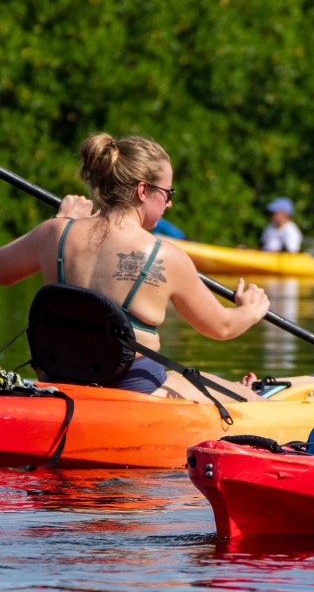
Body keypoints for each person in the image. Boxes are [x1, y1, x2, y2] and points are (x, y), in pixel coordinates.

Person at [0, 132, 275, 403]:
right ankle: (247, 394)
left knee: (206, 381)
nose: (170, 202)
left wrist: (61, 221)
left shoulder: (53, 232)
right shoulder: (165, 256)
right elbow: (222, 327)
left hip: (58, 382)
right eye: (168, 192)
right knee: (249, 399)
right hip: (134, 392)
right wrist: (250, 311)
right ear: (142, 190)